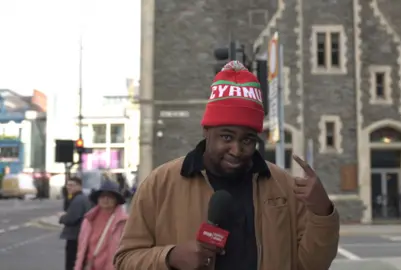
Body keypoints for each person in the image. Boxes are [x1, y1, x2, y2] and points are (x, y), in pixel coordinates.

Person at [114, 61, 340, 270]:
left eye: (247, 140)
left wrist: (322, 213)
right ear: (206, 131)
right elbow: (125, 261)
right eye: (226, 137)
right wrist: (170, 257)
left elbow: (311, 266)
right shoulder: (160, 184)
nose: (237, 149)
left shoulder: (283, 186)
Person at [74, 181, 128, 270]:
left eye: (110, 197)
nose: (105, 199)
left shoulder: (124, 222)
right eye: (102, 196)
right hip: (90, 266)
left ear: (116, 200)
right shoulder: (88, 219)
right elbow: (81, 248)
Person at [59, 177, 92, 270]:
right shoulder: (81, 198)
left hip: (75, 236)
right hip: (79, 236)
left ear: (79, 186)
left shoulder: (78, 200)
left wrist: (61, 218)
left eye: (72, 185)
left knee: (72, 264)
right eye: (68, 185)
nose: (69, 187)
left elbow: (71, 218)